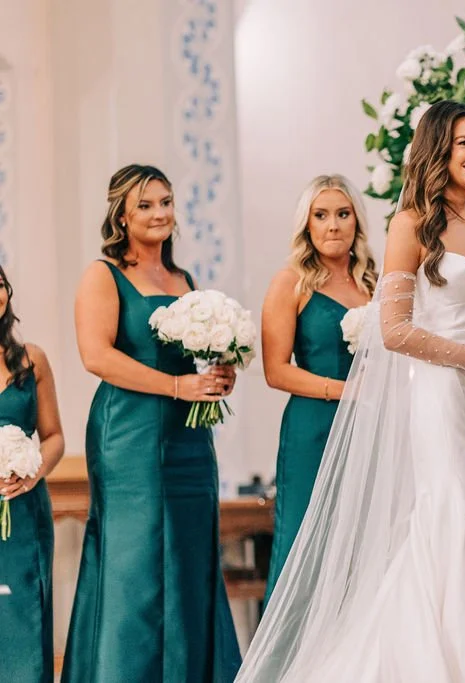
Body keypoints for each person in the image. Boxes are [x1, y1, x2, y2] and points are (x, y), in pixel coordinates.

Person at [237, 102, 465, 682]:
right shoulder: (409, 226)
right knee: (458, 521)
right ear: (437, 152)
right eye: (464, 144)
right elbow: (394, 330)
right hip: (448, 399)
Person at [63, 164, 241, 682]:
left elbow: (193, 359)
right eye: (146, 204)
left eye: (165, 201)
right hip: (129, 434)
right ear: (121, 214)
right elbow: (96, 356)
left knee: (188, 553)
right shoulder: (103, 274)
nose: (160, 212)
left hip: (188, 435)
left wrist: (217, 374)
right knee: (133, 557)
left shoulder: (185, 280)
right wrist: (177, 387)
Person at [260, 174, 376, 601]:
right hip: (313, 429)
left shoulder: (374, 283)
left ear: (356, 222)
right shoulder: (291, 282)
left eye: (343, 214)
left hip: (368, 429)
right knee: (305, 539)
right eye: (321, 215)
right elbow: (276, 370)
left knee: (365, 537)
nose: (333, 225)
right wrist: (344, 391)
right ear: (306, 224)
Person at [0, 264, 65, 683]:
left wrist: (33, 471)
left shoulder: (30, 360)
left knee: (23, 623)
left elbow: (55, 436)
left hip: (24, 515)